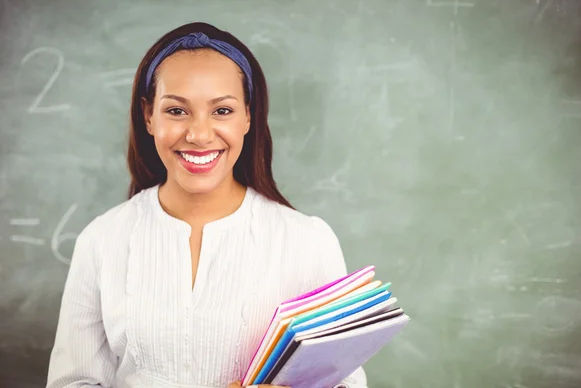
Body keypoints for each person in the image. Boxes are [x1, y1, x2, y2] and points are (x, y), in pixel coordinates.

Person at [46, 22, 368, 388]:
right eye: (177, 111)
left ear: (249, 115)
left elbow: (344, 383)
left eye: (222, 111)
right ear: (149, 115)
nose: (199, 135)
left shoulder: (309, 242)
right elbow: (71, 382)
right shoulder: (102, 240)